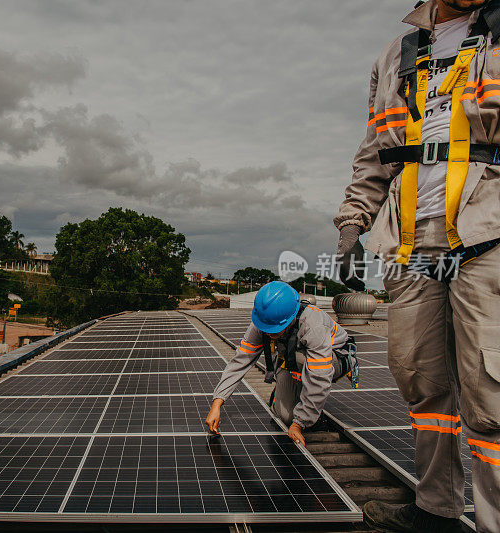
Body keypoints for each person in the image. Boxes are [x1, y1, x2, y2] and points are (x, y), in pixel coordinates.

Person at [335, 0, 500, 530]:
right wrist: (351, 224)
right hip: (409, 240)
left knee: (490, 390)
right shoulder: (396, 54)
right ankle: (436, 510)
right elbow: (374, 152)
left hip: (488, 229)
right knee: (421, 379)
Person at [205, 281, 358, 447]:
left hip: (334, 360)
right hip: (293, 360)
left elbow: (320, 377)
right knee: (284, 416)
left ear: (290, 319)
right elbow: (240, 361)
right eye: (266, 329)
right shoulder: (263, 321)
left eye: (274, 330)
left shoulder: (312, 325)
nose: (269, 333)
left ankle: (312, 415)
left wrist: (300, 423)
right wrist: (217, 403)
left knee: (301, 363)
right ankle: (290, 395)